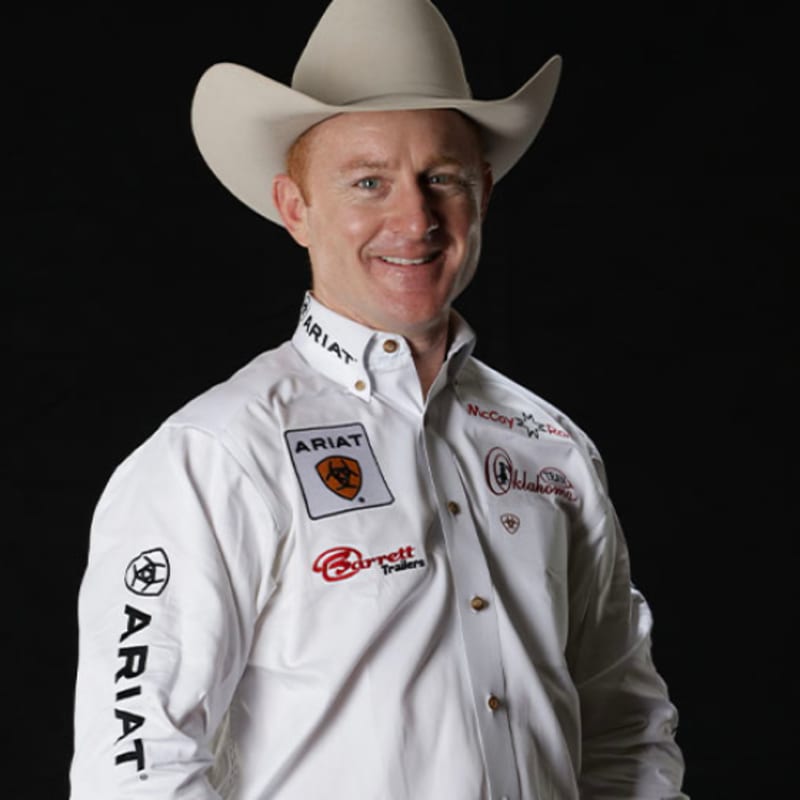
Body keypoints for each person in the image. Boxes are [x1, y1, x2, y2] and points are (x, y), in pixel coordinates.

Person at [69, 1, 688, 798]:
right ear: (295, 207)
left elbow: (627, 728)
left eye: (442, 179)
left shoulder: (551, 445)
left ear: (483, 192)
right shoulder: (216, 454)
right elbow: (138, 770)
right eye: (369, 182)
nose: (415, 218)